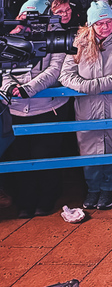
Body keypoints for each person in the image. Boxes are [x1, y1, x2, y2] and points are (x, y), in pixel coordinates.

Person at [59, 1, 112, 210]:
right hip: (89, 108)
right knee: (90, 151)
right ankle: (92, 189)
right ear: (91, 25)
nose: (105, 27)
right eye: (99, 23)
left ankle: (108, 188)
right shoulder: (79, 42)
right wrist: (84, 86)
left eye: (108, 22)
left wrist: (97, 85)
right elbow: (65, 75)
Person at [1, 40, 70, 217]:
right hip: (15, 109)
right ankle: (25, 203)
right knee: (20, 157)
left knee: (46, 155)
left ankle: (47, 200)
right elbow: (2, 68)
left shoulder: (53, 36)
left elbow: (55, 69)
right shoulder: (7, 38)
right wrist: (10, 87)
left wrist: (29, 88)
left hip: (47, 107)